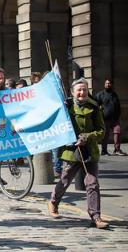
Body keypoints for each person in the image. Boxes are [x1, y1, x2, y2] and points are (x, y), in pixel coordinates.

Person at [48, 78, 109, 229]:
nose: (82, 92)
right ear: (72, 92)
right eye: (79, 90)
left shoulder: (94, 107)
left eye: (85, 89)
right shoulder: (65, 107)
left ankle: (96, 217)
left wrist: (88, 137)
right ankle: (53, 202)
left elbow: (101, 131)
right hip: (71, 151)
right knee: (65, 181)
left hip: (89, 151)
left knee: (92, 184)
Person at [95, 79, 124, 156]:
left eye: (109, 83)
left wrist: (118, 115)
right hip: (105, 119)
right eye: (106, 83)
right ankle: (104, 151)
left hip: (115, 119)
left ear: (112, 85)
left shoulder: (114, 94)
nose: (108, 84)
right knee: (105, 135)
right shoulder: (100, 94)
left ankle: (117, 150)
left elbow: (118, 105)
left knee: (117, 132)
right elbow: (95, 105)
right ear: (104, 85)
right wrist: (99, 114)